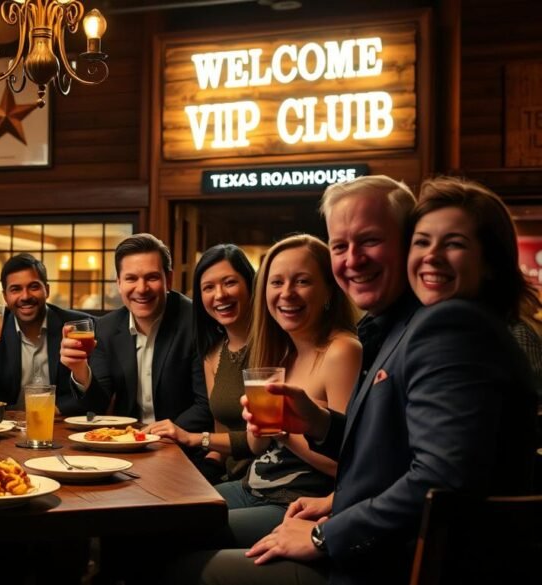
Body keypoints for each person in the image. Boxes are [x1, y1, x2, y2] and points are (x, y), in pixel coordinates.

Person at [173, 175, 536, 585]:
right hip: (364, 535)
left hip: (389, 563)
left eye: (370, 241)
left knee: (178, 568)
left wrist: (324, 534)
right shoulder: (398, 326)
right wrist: (319, 423)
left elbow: (442, 480)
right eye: (340, 246)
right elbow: (394, 452)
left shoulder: (450, 324)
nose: (353, 259)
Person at [215, 235, 359, 547]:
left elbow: (349, 464)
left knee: (179, 533)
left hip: (295, 503)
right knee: (165, 512)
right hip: (252, 486)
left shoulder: (342, 351)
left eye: (302, 281)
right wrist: (257, 421)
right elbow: (257, 446)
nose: (287, 293)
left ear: (329, 290)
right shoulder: (281, 352)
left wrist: (284, 432)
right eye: (276, 282)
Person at [407, 176, 542, 399]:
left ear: (491, 262)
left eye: (454, 243)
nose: (431, 256)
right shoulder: (424, 328)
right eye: (422, 242)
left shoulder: (514, 336)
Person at [62, 233, 211, 431]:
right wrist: (80, 370)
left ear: (169, 278)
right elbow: (96, 407)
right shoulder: (106, 327)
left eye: (152, 277)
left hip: (185, 444)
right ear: (119, 283)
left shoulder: (195, 322)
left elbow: (205, 406)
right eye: (131, 278)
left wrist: (158, 437)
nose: (141, 289)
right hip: (128, 443)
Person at [145, 244, 257, 485]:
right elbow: (220, 433)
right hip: (229, 475)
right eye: (208, 288)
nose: (220, 295)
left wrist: (194, 439)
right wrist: (207, 468)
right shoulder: (213, 352)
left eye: (229, 282)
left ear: (250, 284)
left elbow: (264, 440)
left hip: (263, 479)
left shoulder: (272, 346)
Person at [0, 253, 94, 414]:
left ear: (47, 290)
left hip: (60, 423)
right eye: (15, 289)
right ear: (5, 296)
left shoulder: (77, 327)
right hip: (9, 427)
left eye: (34, 287)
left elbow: (96, 392)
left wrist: (52, 412)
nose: (25, 296)